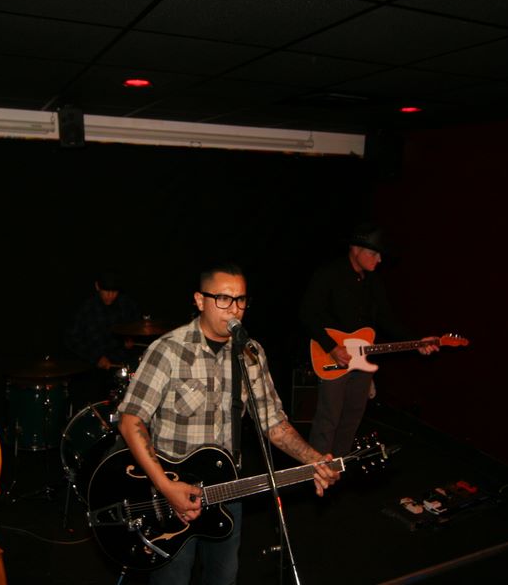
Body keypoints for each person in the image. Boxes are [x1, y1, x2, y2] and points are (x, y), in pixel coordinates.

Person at [117, 262, 339, 584]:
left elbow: (273, 422)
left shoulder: (250, 353)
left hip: (227, 491)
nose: (234, 308)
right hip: (172, 495)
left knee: (224, 577)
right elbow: (131, 420)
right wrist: (166, 487)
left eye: (240, 299)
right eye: (223, 298)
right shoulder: (168, 351)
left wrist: (314, 459)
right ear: (200, 300)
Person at [300, 223, 438, 458]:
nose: (379, 259)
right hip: (334, 359)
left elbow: (387, 319)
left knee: (352, 417)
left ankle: (340, 467)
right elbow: (307, 313)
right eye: (374, 253)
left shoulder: (373, 282)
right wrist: (332, 347)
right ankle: (315, 471)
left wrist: (416, 342)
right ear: (355, 249)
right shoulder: (329, 274)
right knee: (328, 419)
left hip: (363, 362)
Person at [64, 269, 141, 406]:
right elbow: (71, 339)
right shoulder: (87, 308)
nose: (110, 296)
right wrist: (96, 358)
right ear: (97, 286)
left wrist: (131, 341)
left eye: (114, 291)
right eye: (106, 291)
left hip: (120, 365)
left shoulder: (127, 305)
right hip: (93, 368)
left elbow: (137, 330)